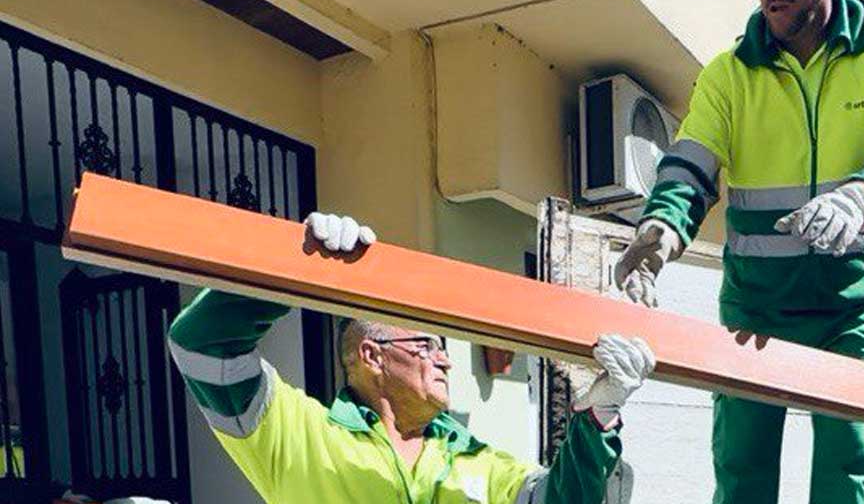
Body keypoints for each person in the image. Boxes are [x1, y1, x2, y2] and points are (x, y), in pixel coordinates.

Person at [612, 0, 864, 502]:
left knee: (844, 475)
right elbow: (690, 163)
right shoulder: (729, 75)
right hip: (755, 310)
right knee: (742, 473)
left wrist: (860, 198)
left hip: (849, 310)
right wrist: (660, 228)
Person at [168, 212, 656, 503]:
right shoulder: (300, 437)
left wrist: (600, 415)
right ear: (371, 356)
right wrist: (298, 264)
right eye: (425, 345)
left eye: (443, 346)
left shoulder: (480, 464)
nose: (444, 361)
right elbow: (200, 343)